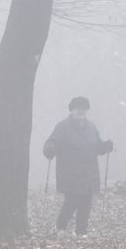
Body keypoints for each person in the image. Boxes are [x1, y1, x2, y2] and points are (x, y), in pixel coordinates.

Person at [42, 96, 114, 238]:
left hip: (89, 172)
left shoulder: (92, 127)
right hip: (70, 172)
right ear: (72, 110)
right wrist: (49, 149)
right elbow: (52, 142)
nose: (81, 111)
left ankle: (81, 232)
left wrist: (105, 146)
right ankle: (60, 228)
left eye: (84, 109)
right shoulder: (63, 127)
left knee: (86, 203)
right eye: (78, 109)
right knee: (71, 201)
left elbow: (97, 147)